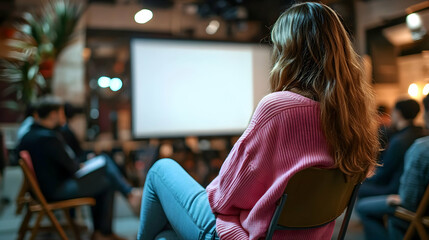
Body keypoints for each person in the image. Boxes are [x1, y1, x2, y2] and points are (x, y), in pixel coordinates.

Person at [137, 2, 379, 240]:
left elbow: (224, 197)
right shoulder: (353, 117)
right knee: (165, 237)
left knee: (161, 170)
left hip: (248, 235)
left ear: (288, 52)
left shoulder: (278, 108)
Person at [18, 96, 141, 240]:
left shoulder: (31, 134)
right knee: (106, 180)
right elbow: (72, 167)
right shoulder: (48, 138)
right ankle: (105, 230)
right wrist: (82, 165)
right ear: (53, 115)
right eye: (62, 112)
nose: (64, 116)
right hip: (56, 190)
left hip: (46, 188)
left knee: (104, 166)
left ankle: (107, 226)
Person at [356, 95, 429, 240]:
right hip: (423, 203)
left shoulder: (419, 147)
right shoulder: (421, 134)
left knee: (361, 202)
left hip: (408, 201)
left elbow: (407, 199)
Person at [358, 99, 424, 198]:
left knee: (357, 187)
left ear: (398, 113)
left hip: (394, 188)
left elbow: (384, 173)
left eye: (393, 111)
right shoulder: (421, 134)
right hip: (412, 189)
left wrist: (364, 179)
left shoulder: (399, 140)